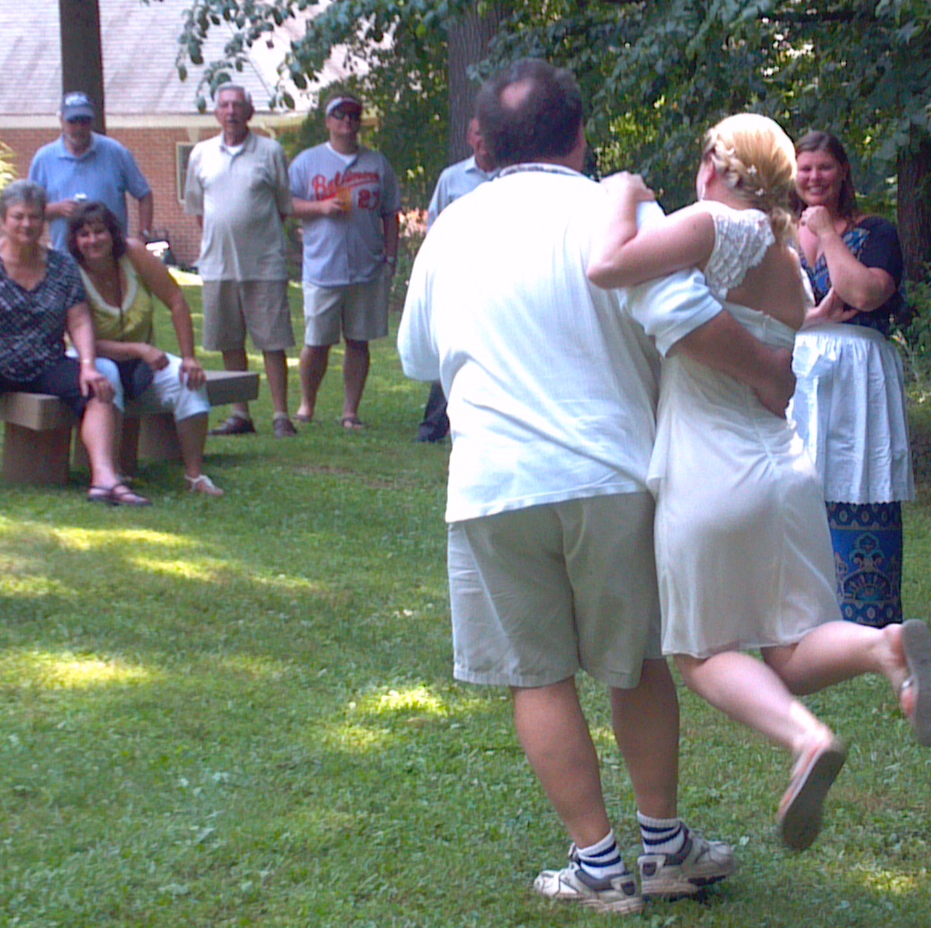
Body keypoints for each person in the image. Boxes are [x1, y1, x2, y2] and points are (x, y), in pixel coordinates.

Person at [400, 60, 797, 914]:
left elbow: (415, 356)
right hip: (614, 470)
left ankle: (598, 863)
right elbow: (682, 317)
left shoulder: (451, 228)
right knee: (636, 662)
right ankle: (663, 846)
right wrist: (768, 370)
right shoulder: (616, 211)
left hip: (493, 480)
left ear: (484, 145)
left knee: (537, 675)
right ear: (579, 135)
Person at [587, 113, 931, 853]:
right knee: (792, 648)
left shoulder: (714, 226)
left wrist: (622, 191)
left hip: (709, 470)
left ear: (717, 168)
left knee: (701, 654)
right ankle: (883, 646)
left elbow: (608, 264)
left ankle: (805, 739)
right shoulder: (788, 260)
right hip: (785, 468)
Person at [0, 180, 146, 507]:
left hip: (47, 361)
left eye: (34, 217)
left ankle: (105, 478)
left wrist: (88, 366)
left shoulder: (62, 265)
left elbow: (79, 320)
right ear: (3, 220)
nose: (27, 224)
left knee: (98, 386)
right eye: (18, 217)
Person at [789, 131, 915, 628]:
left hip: (860, 373)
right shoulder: (774, 235)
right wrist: (814, 319)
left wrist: (826, 232)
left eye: (824, 167)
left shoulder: (876, 232)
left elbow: (864, 294)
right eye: (804, 168)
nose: (814, 177)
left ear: (843, 172)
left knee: (858, 475)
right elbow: (752, 313)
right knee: (791, 482)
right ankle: (799, 619)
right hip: (794, 370)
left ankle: (867, 615)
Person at [66, 200, 223, 495]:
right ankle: (110, 474)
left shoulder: (134, 254)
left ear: (112, 233)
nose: (93, 240)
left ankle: (194, 475)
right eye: (84, 234)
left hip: (143, 361)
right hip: (90, 359)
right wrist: (139, 349)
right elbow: (84, 341)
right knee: (108, 374)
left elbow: (176, 301)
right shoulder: (71, 272)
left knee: (187, 379)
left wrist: (189, 357)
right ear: (75, 241)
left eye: (99, 232)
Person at [182, 85, 296, 439]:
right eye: (224, 105)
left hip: (264, 264)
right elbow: (199, 210)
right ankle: (240, 414)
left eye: (237, 105)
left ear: (249, 111)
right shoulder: (201, 154)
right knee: (229, 342)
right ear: (216, 112)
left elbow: (283, 206)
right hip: (218, 265)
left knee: (272, 342)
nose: (231, 111)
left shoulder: (270, 151)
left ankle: (280, 415)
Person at [288, 94, 400, 430]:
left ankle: (350, 412)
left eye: (353, 115)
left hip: (366, 267)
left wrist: (390, 256)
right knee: (316, 342)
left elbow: (391, 213)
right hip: (323, 267)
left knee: (358, 341)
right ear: (328, 122)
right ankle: (307, 406)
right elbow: (286, 203)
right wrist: (320, 207)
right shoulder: (307, 162)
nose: (347, 121)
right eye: (339, 115)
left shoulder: (376, 164)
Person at [413, 117, 495, 443]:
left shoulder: (511, 175)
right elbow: (435, 227)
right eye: (478, 133)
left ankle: (484, 422)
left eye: (489, 132)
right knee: (451, 346)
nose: (484, 139)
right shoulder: (452, 178)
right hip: (459, 276)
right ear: (469, 138)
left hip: (501, 276)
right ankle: (433, 426)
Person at [29, 92, 153, 253]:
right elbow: (29, 210)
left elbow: (144, 194)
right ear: (61, 121)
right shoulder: (44, 159)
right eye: (73, 122)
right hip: (66, 257)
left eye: (84, 121)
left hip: (112, 256)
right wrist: (57, 209)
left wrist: (143, 236)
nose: (79, 128)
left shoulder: (115, 152)